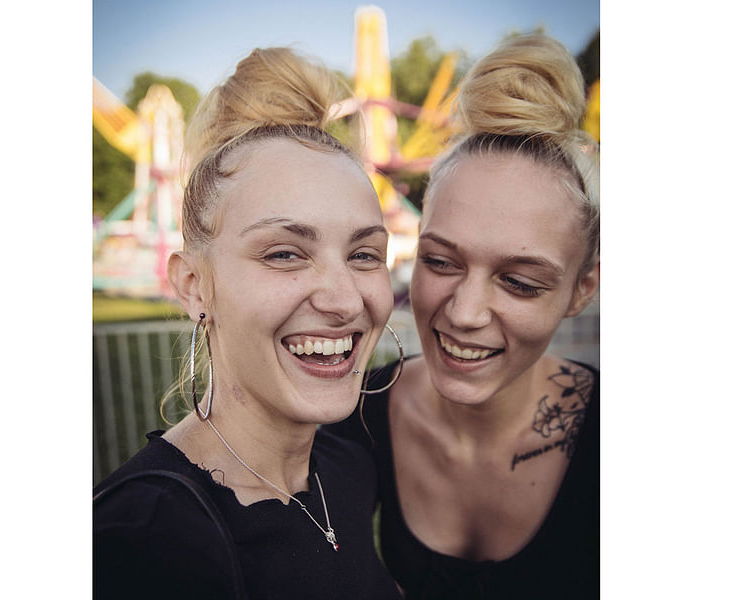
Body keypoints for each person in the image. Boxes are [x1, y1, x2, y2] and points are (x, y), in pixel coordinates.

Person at [93, 47, 402, 600]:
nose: (343, 300)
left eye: (363, 255)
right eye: (284, 254)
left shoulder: (349, 459)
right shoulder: (139, 543)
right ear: (193, 285)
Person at [327, 34, 600, 599]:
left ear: (582, 289)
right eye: (441, 262)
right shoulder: (354, 417)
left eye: (520, 282)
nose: (466, 312)